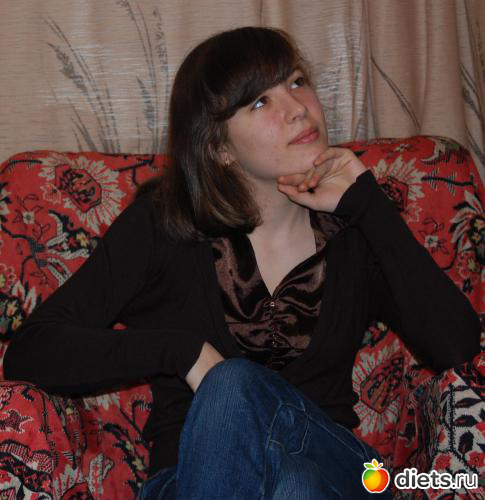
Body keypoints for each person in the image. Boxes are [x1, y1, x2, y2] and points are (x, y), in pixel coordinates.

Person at [4, 27, 480, 500]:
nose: (297, 108)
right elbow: (33, 350)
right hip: (189, 480)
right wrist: (183, 352)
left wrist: (369, 204)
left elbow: (457, 347)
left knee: (258, 416)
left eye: (297, 82)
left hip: (344, 472)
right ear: (220, 148)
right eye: (260, 101)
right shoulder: (164, 227)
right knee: (293, 485)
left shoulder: (354, 231)